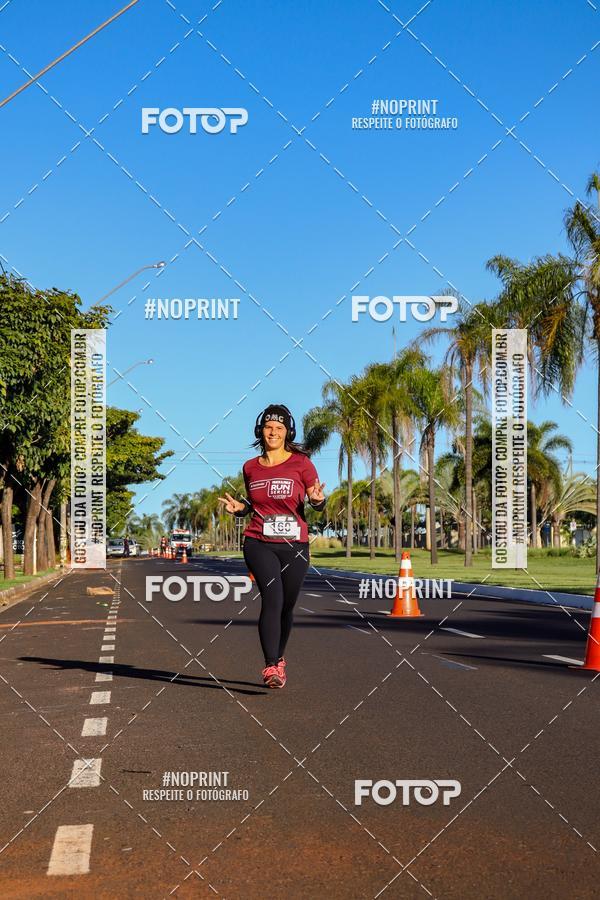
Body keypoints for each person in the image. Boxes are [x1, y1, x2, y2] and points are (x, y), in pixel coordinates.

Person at [219, 404, 326, 689]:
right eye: (268, 427)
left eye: (279, 428)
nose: (273, 432)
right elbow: (255, 506)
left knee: (287, 607)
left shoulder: (302, 463)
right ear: (260, 431)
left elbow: (317, 499)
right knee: (273, 599)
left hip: (295, 544)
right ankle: (270, 665)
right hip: (259, 541)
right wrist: (241, 509)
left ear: (288, 432)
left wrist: (316, 499)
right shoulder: (250, 467)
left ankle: (279, 659)